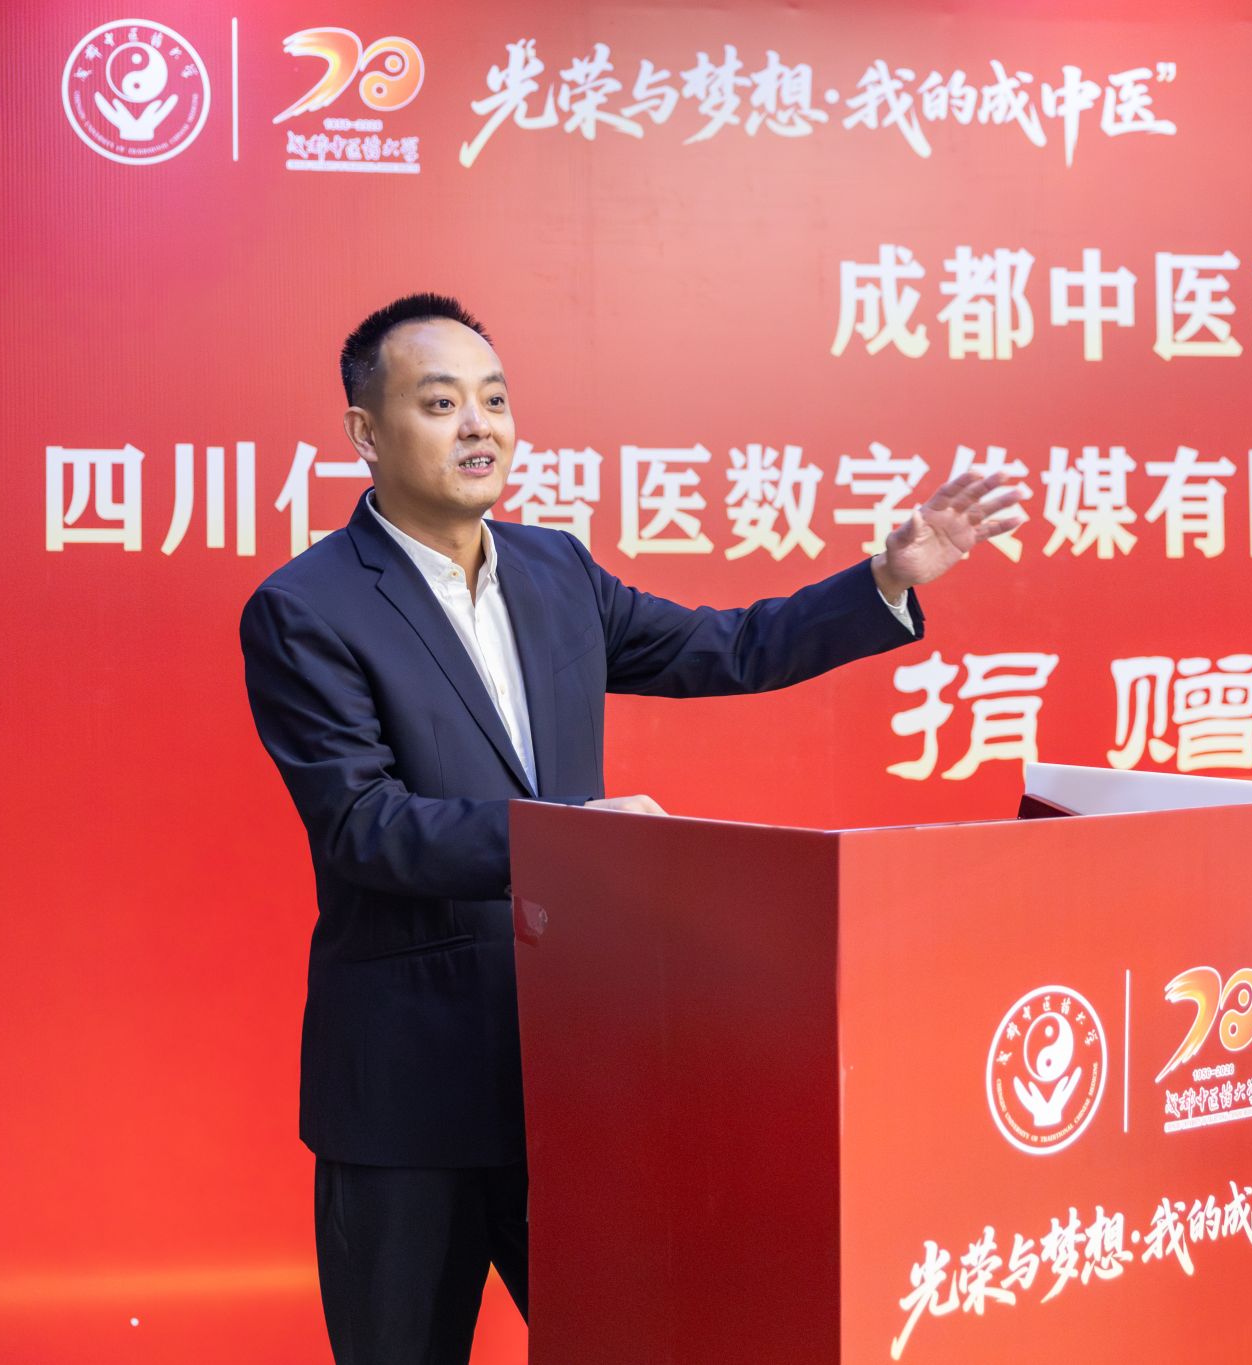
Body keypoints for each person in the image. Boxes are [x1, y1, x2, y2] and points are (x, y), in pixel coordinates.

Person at [238, 293, 1025, 1363]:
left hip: (574, 1073)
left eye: (494, 400)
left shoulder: (556, 571)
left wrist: (883, 581)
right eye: (440, 402)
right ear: (365, 432)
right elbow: (364, 829)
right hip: (408, 1093)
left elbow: (726, 648)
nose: (478, 427)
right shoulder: (307, 606)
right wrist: (574, 838)